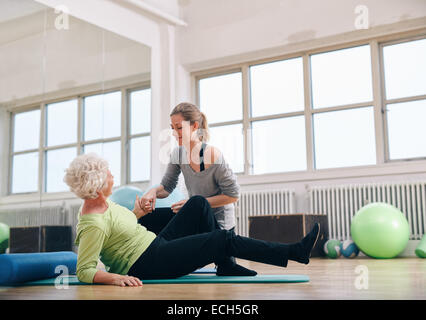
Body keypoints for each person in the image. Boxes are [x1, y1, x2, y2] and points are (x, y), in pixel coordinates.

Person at [65, 153, 320, 287]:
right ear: (97, 185)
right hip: (148, 263)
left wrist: (138, 213)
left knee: (197, 203)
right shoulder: (92, 223)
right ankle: (294, 252)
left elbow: (119, 229)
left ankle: (225, 264)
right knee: (220, 238)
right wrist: (115, 278)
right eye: (109, 175)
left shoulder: (103, 203)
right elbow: (85, 270)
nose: (113, 177)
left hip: (154, 244)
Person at [139, 102, 255, 276]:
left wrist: (193, 204)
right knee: (147, 218)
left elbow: (233, 195)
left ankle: (224, 261)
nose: (174, 133)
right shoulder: (178, 154)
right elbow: (167, 187)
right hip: (195, 216)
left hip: (218, 224)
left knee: (197, 204)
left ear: (194, 126)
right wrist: (152, 192)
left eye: (178, 128)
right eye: (172, 128)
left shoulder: (213, 155)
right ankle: (152, 257)